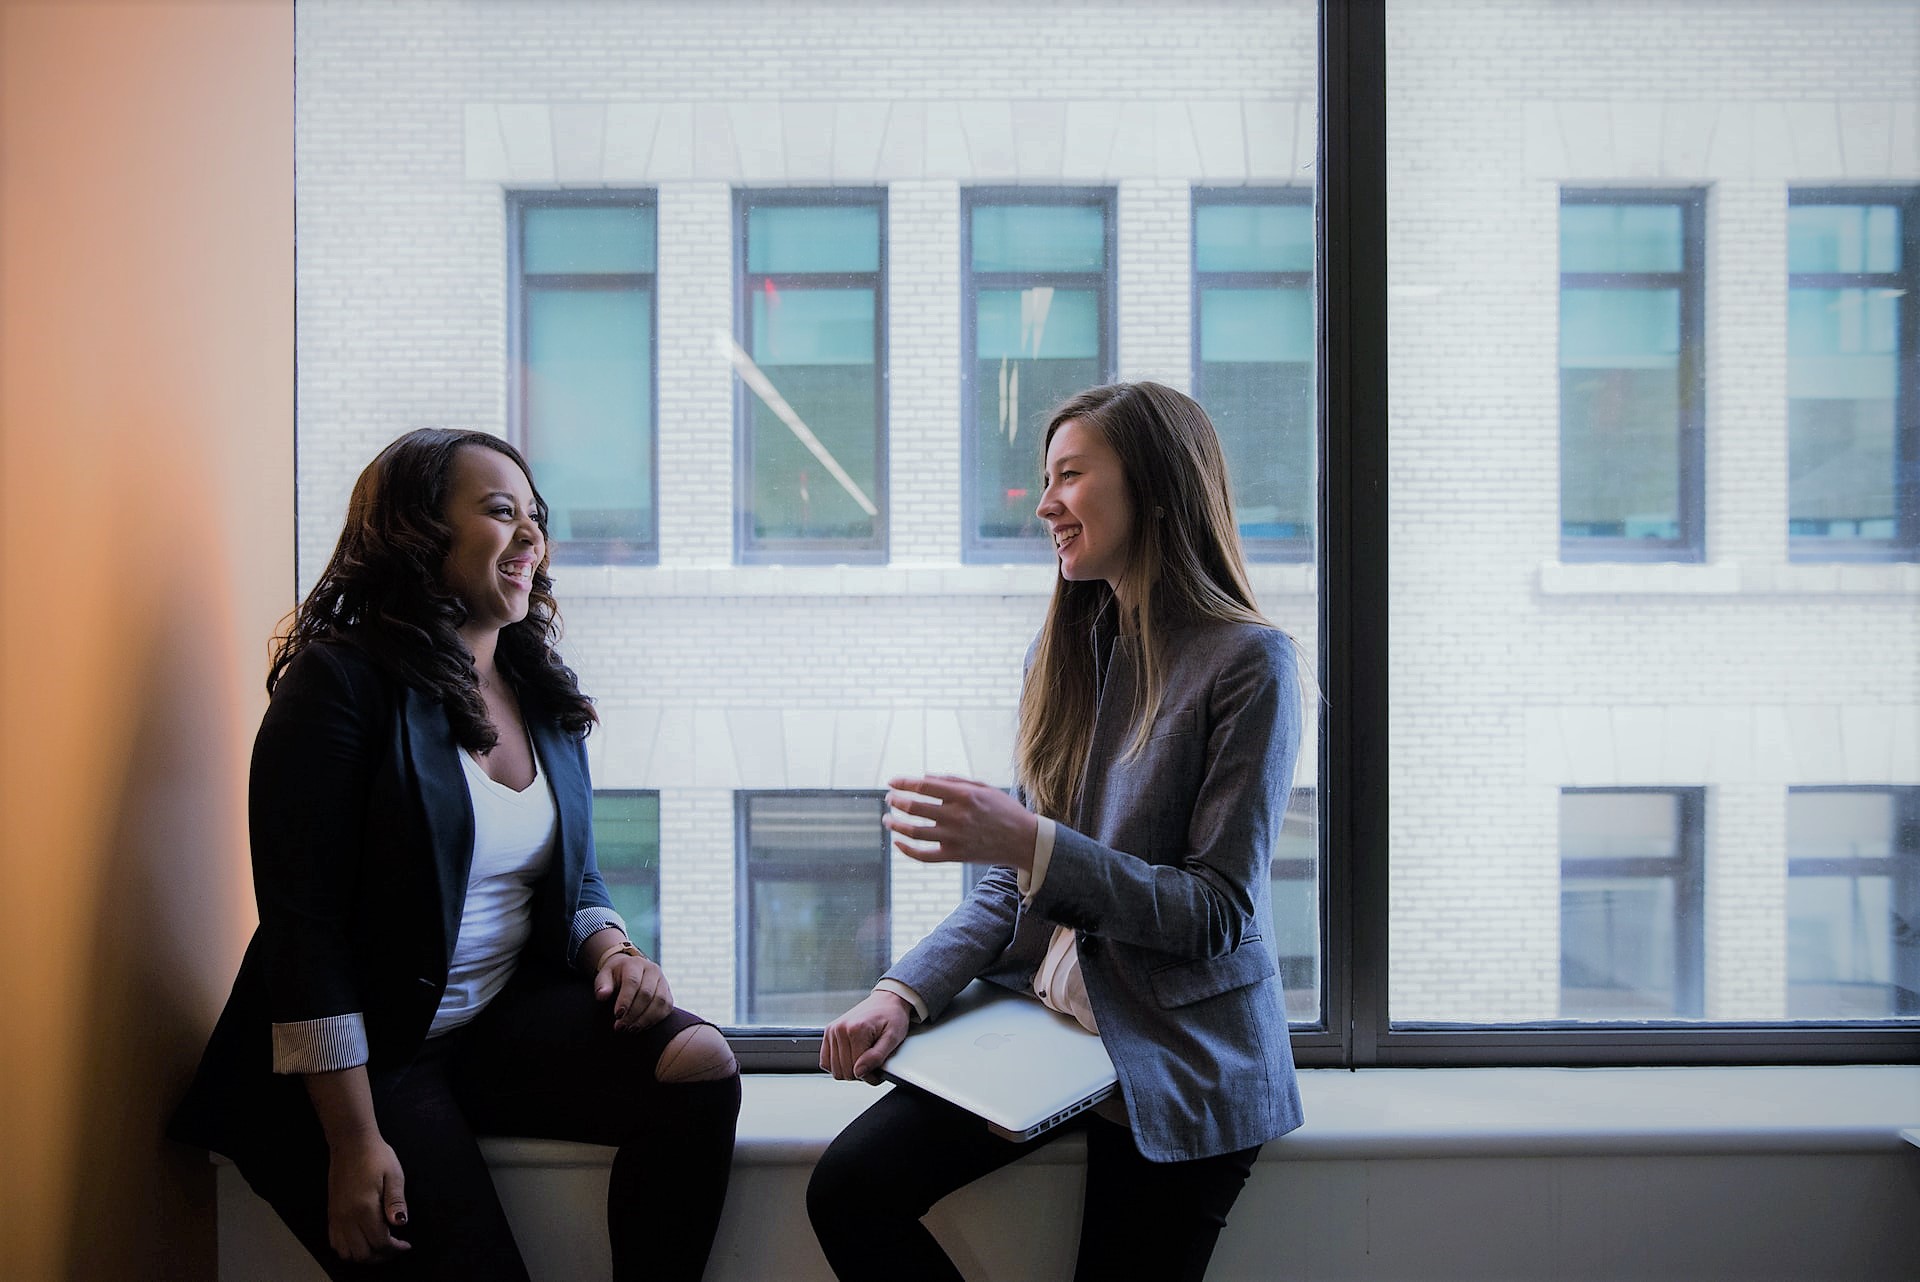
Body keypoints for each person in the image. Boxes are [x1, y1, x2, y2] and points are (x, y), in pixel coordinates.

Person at [170, 428, 739, 1281]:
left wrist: (612, 947)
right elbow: (305, 931)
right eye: (500, 511)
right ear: (416, 532)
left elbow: (569, 874)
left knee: (700, 1066)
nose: (530, 536)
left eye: (536, 518)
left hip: (483, 1023)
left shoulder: (537, 686)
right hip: (360, 1063)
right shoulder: (338, 685)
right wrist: (354, 1143)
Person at [807, 382, 1305, 1282]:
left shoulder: (1249, 662)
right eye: (1046, 479)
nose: (1044, 504)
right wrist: (902, 994)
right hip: (1050, 1031)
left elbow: (1217, 911)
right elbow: (1013, 886)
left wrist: (1029, 844)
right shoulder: (1065, 652)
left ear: (1154, 487)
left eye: (1070, 476)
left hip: (1178, 1053)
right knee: (847, 1189)